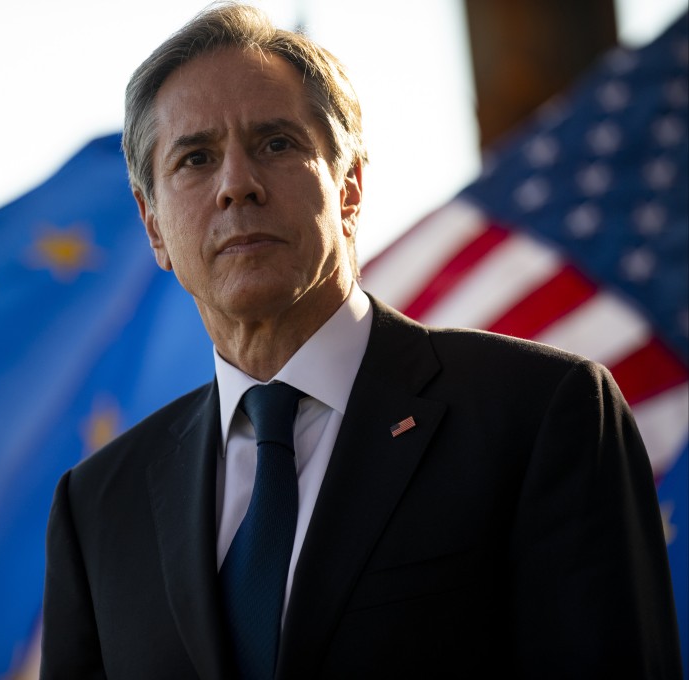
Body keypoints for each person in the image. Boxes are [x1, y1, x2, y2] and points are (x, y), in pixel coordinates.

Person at [41, 4, 682, 678]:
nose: (237, 185)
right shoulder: (98, 507)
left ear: (349, 187)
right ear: (154, 227)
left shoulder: (540, 414)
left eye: (276, 143)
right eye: (195, 158)